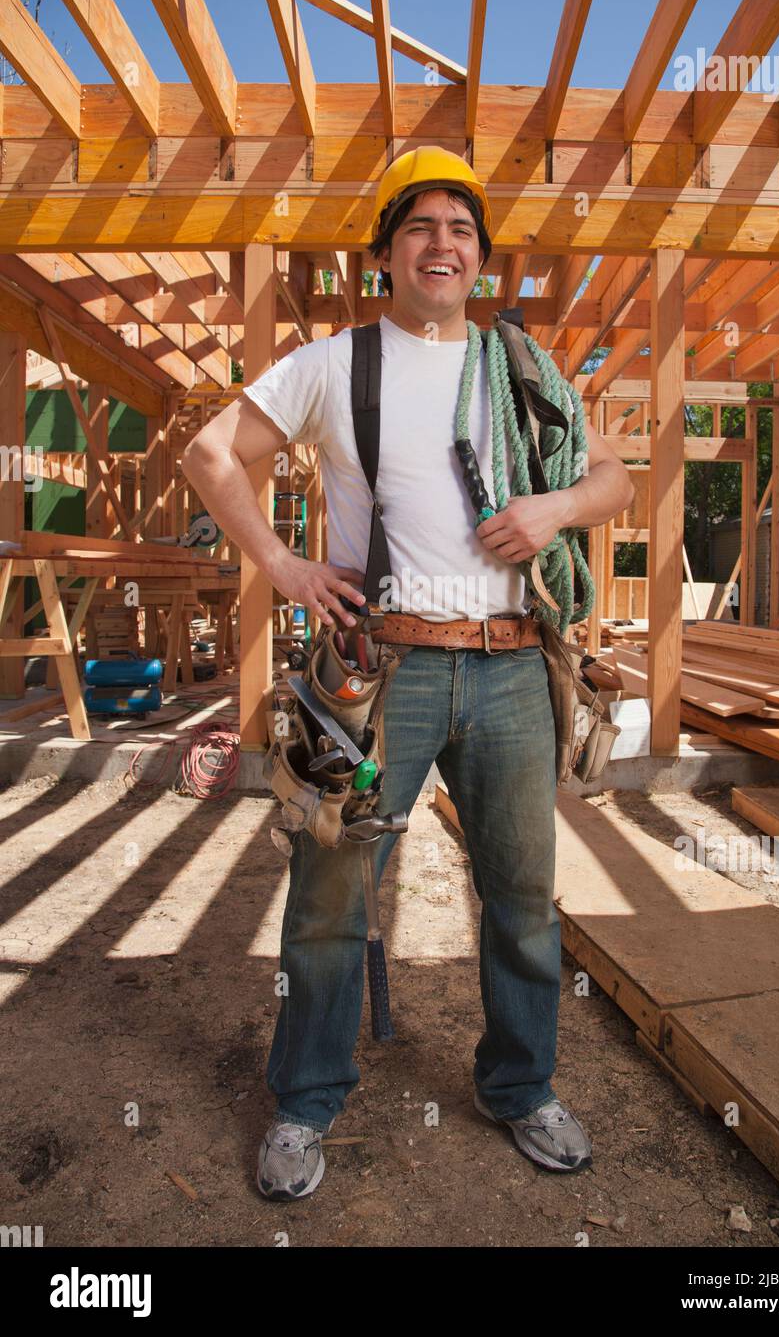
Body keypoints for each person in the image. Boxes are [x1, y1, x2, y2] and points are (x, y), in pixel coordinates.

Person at [182, 146, 634, 1202]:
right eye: (421, 227)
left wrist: (552, 510)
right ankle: (303, 1102)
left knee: (521, 897)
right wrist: (287, 565)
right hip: (381, 676)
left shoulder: (521, 363)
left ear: (478, 259)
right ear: (385, 252)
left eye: (462, 230)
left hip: (513, 671)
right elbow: (209, 454)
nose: (443, 244)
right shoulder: (335, 365)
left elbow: (611, 475)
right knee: (332, 896)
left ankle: (520, 1088)